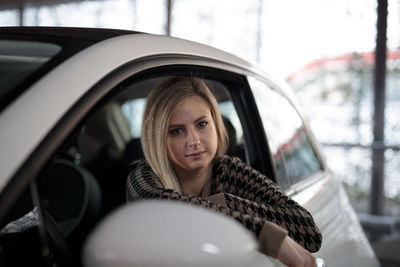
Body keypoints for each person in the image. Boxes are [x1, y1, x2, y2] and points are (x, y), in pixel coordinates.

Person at [126, 76, 322, 267]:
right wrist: (262, 232)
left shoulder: (228, 170)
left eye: (201, 124)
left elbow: (309, 232)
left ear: (216, 124)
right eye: (177, 131)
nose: (194, 140)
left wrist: (227, 202)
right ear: (158, 138)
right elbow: (157, 210)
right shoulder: (143, 177)